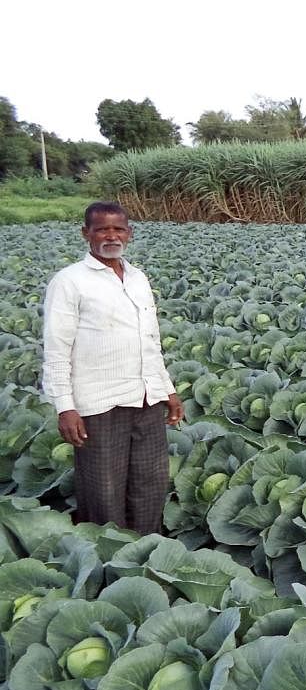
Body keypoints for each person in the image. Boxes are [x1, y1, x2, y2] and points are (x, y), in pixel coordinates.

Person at [41, 202, 183, 535]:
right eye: (102, 229)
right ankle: (109, 560)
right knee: (103, 489)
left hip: (146, 398)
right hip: (99, 401)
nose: (111, 236)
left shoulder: (137, 278)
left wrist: (168, 389)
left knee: (151, 482)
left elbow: (150, 341)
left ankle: (145, 552)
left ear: (129, 233)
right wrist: (65, 407)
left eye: (118, 229)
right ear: (85, 233)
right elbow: (57, 348)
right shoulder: (69, 281)